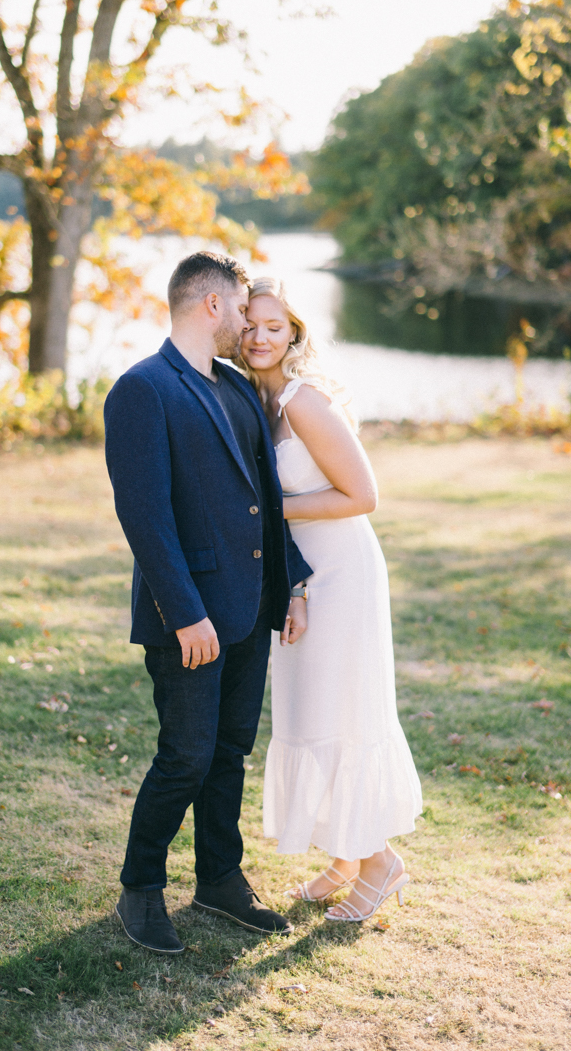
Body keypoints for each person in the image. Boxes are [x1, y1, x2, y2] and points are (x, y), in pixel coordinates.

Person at [103, 252, 313, 955]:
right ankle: (140, 887)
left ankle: (221, 879)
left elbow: (266, 502)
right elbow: (145, 515)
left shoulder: (235, 388)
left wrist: (292, 586)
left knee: (228, 754)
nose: (249, 328)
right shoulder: (142, 389)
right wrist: (184, 612)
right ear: (211, 306)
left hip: (250, 611)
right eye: (240, 312)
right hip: (187, 619)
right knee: (184, 758)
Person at [237, 277, 423, 923]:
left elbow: (363, 494)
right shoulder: (255, 401)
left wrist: (266, 510)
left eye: (274, 326)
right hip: (303, 571)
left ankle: (380, 863)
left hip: (342, 571)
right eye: (251, 325)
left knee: (339, 711)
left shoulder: (304, 401)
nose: (260, 337)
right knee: (308, 708)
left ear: (295, 334)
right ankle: (346, 856)